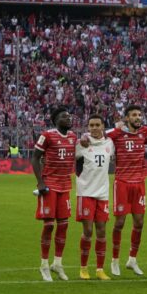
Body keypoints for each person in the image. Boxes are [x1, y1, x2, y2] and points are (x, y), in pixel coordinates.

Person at [32, 106, 77, 282]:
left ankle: (57, 263)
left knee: (64, 225)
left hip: (65, 185)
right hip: (50, 184)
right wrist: (40, 182)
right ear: (56, 119)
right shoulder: (47, 135)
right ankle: (44, 264)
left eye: (69, 115)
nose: (69, 118)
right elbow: (35, 157)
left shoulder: (73, 137)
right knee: (49, 225)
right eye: (65, 116)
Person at [107, 105, 147, 277]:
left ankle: (132, 260)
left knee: (139, 222)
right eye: (134, 115)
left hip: (139, 183)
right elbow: (101, 135)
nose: (137, 117)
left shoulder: (144, 132)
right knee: (119, 223)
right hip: (122, 183)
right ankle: (114, 261)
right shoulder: (118, 134)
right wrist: (115, 127)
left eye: (139, 115)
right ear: (127, 118)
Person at [75, 114, 113, 280]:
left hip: (103, 194)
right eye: (91, 125)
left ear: (103, 126)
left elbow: (120, 131)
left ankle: (99, 269)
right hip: (86, 193)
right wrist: (82, 137)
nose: (95, 128)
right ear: (88, 127)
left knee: (102, 231)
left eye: (98, 125)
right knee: (88, 231)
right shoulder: (81, 144)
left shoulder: (110, 143)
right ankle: (83, 268)